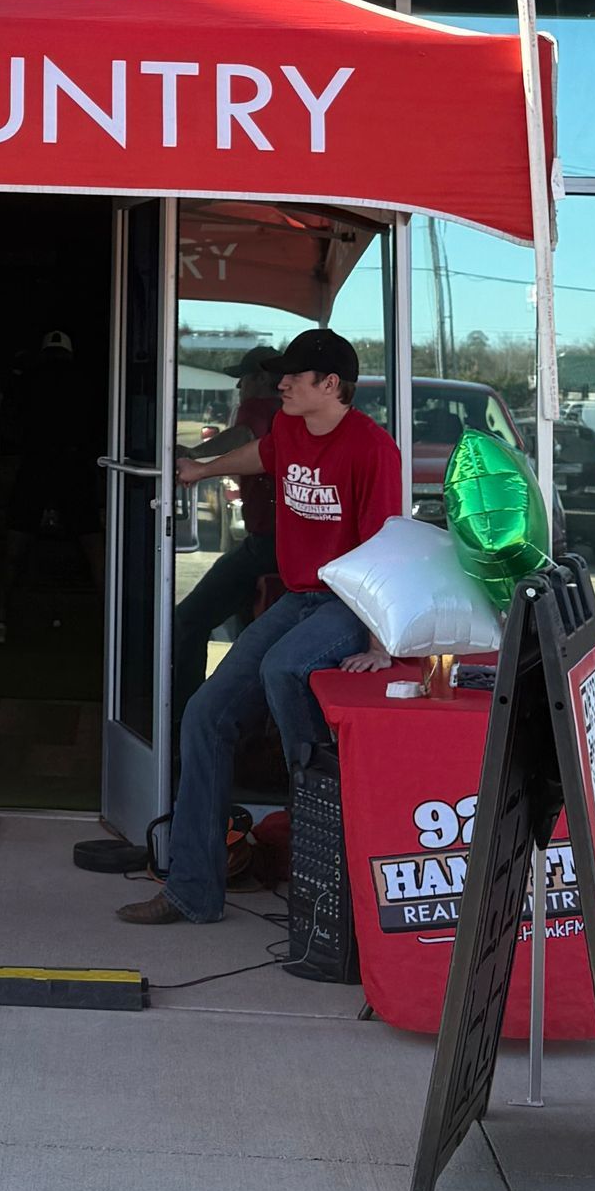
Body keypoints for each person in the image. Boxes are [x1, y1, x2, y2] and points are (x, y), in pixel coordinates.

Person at [119, 326, 400, 929]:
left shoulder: (373, 449)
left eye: (295, 376)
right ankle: (192, 891)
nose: (283, 384)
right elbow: (261, 455)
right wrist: (199, 470)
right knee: (205, 715)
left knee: (283, 668)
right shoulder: (291, 429)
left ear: (331, 385)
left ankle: (315, 808)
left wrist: (380, 641)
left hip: (349, 603)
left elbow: (386, 548)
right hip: (300, 598)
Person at [169, 346, 284, 738]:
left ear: (262, 379)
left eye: (245, 376)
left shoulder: (260, 406)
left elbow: (240, 436)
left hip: (267, 542)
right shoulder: (293, 415)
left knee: (188, 620)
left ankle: (183, 720)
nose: (239, 384)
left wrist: (194, 459)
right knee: (246, 631)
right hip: (288, 544)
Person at [0, 329, 103, 645]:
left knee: (14, 544)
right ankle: (111, 624)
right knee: (94, 545)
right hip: (74, 465)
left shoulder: (26, 380)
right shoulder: (85, 381)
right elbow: (99, 426)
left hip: (36, 465)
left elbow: (8, 425)